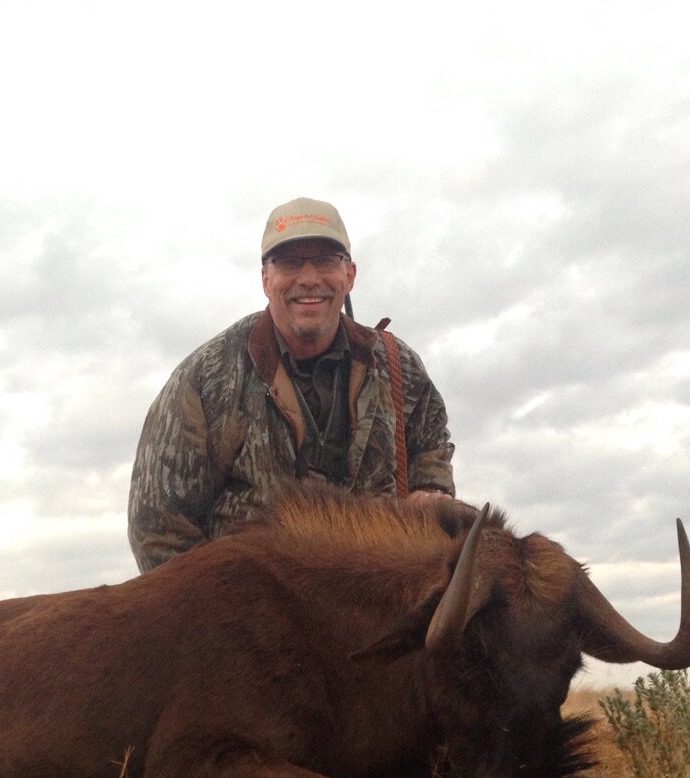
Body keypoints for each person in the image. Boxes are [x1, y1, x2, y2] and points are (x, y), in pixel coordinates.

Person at [128, 197, 455, 572]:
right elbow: (156, 527)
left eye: (325, 261)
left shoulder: (400, 366)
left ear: (349, 275)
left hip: (380, 610)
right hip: (253, 620)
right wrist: (221, 616)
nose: (309, 277)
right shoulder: (206, 377)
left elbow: (430, 447)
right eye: (289, 262)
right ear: (265, 279)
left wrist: (434, 492)